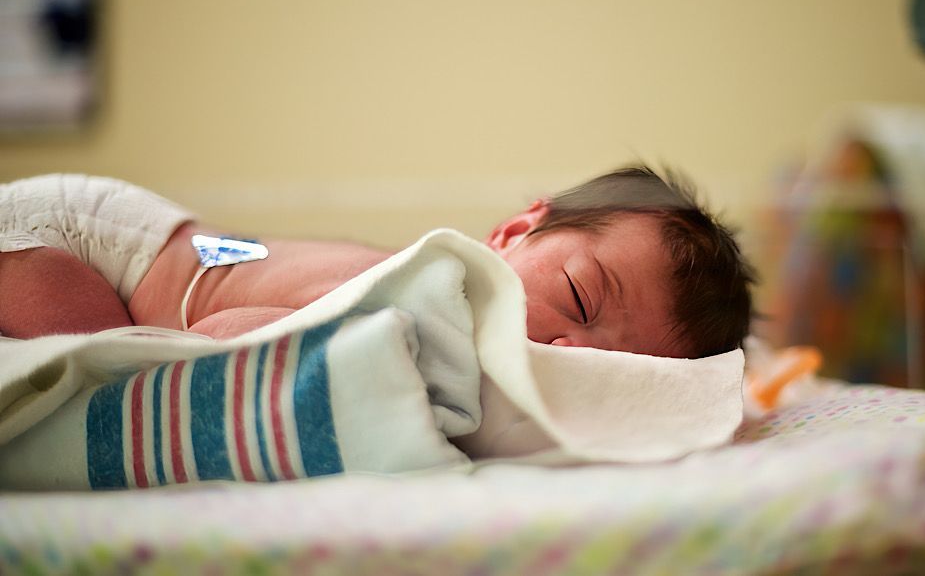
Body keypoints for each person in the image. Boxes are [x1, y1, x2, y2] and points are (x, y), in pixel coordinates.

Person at [0, 167, 754, 358]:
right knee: (90, 362)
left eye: (615, 367)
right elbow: (222, 334)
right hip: (81, 239)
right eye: (582, 300)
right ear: (516, 229)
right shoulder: (412, 296)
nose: (570, 349)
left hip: (164, 245)